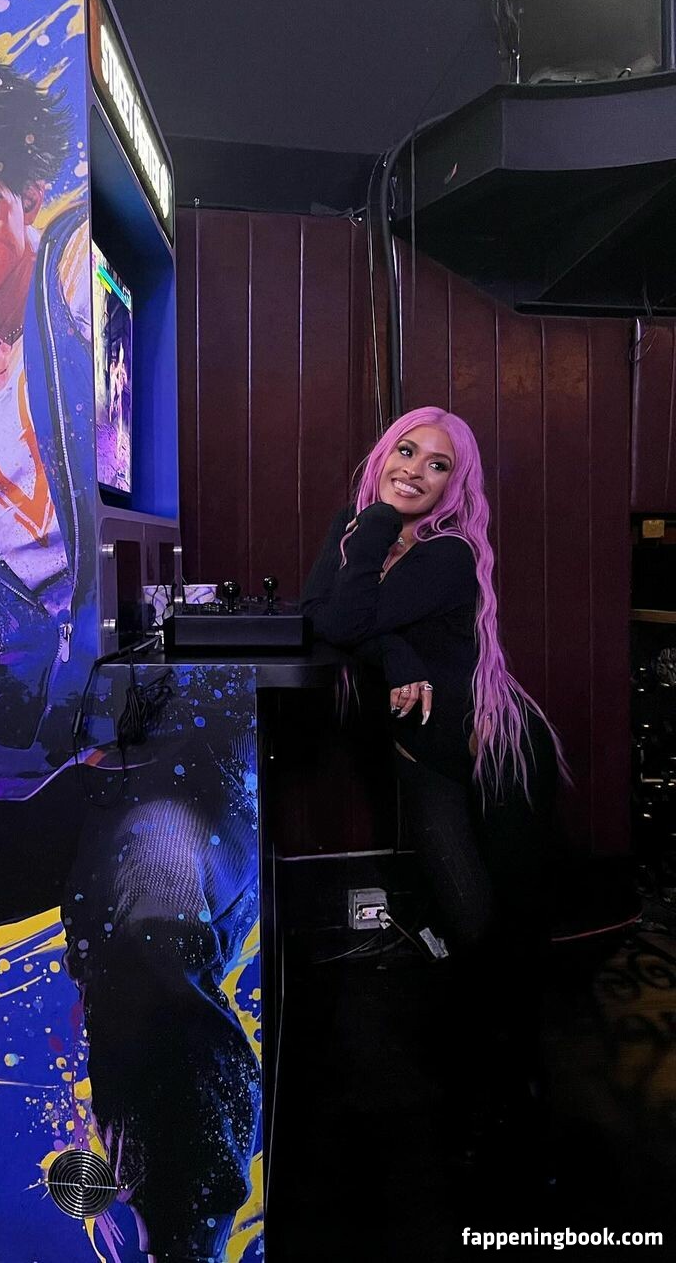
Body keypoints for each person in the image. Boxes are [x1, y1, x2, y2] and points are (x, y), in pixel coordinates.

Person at [0, 47, 258, 1263]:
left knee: (142, 924)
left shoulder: (70, 294)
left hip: (166, 716)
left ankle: (185, 1233)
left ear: (30, 200)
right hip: (37, 724)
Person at [301, 406, 569, 1164]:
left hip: (497, 748)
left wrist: (377, 538)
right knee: (470, 916)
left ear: (456, 484)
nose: (415, 470)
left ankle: (522, 1082)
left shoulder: (450, 553)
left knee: (515, 919)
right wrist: (399, 655)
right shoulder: (354, 530)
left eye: (437, 464)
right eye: (407, 451)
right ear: (384, 453)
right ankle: (483, 1070)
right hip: (424, 757)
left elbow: (349, 620)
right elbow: (321, 619)